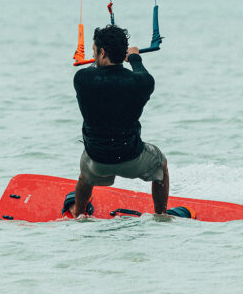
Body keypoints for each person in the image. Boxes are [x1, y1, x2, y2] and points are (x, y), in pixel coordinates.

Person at [63, 24, 189, 219]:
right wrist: (134, 57)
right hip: (132, 158)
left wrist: (116, 56)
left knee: (84, 174)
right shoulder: (142, 83)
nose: (93, 55)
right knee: (161, 164)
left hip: (97, 161)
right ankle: (161, 214)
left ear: (102, 52)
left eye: (94, 51)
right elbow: (142, 74)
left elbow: (95, 70)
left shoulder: (82, 79)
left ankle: (79, 214)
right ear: (123, 55)